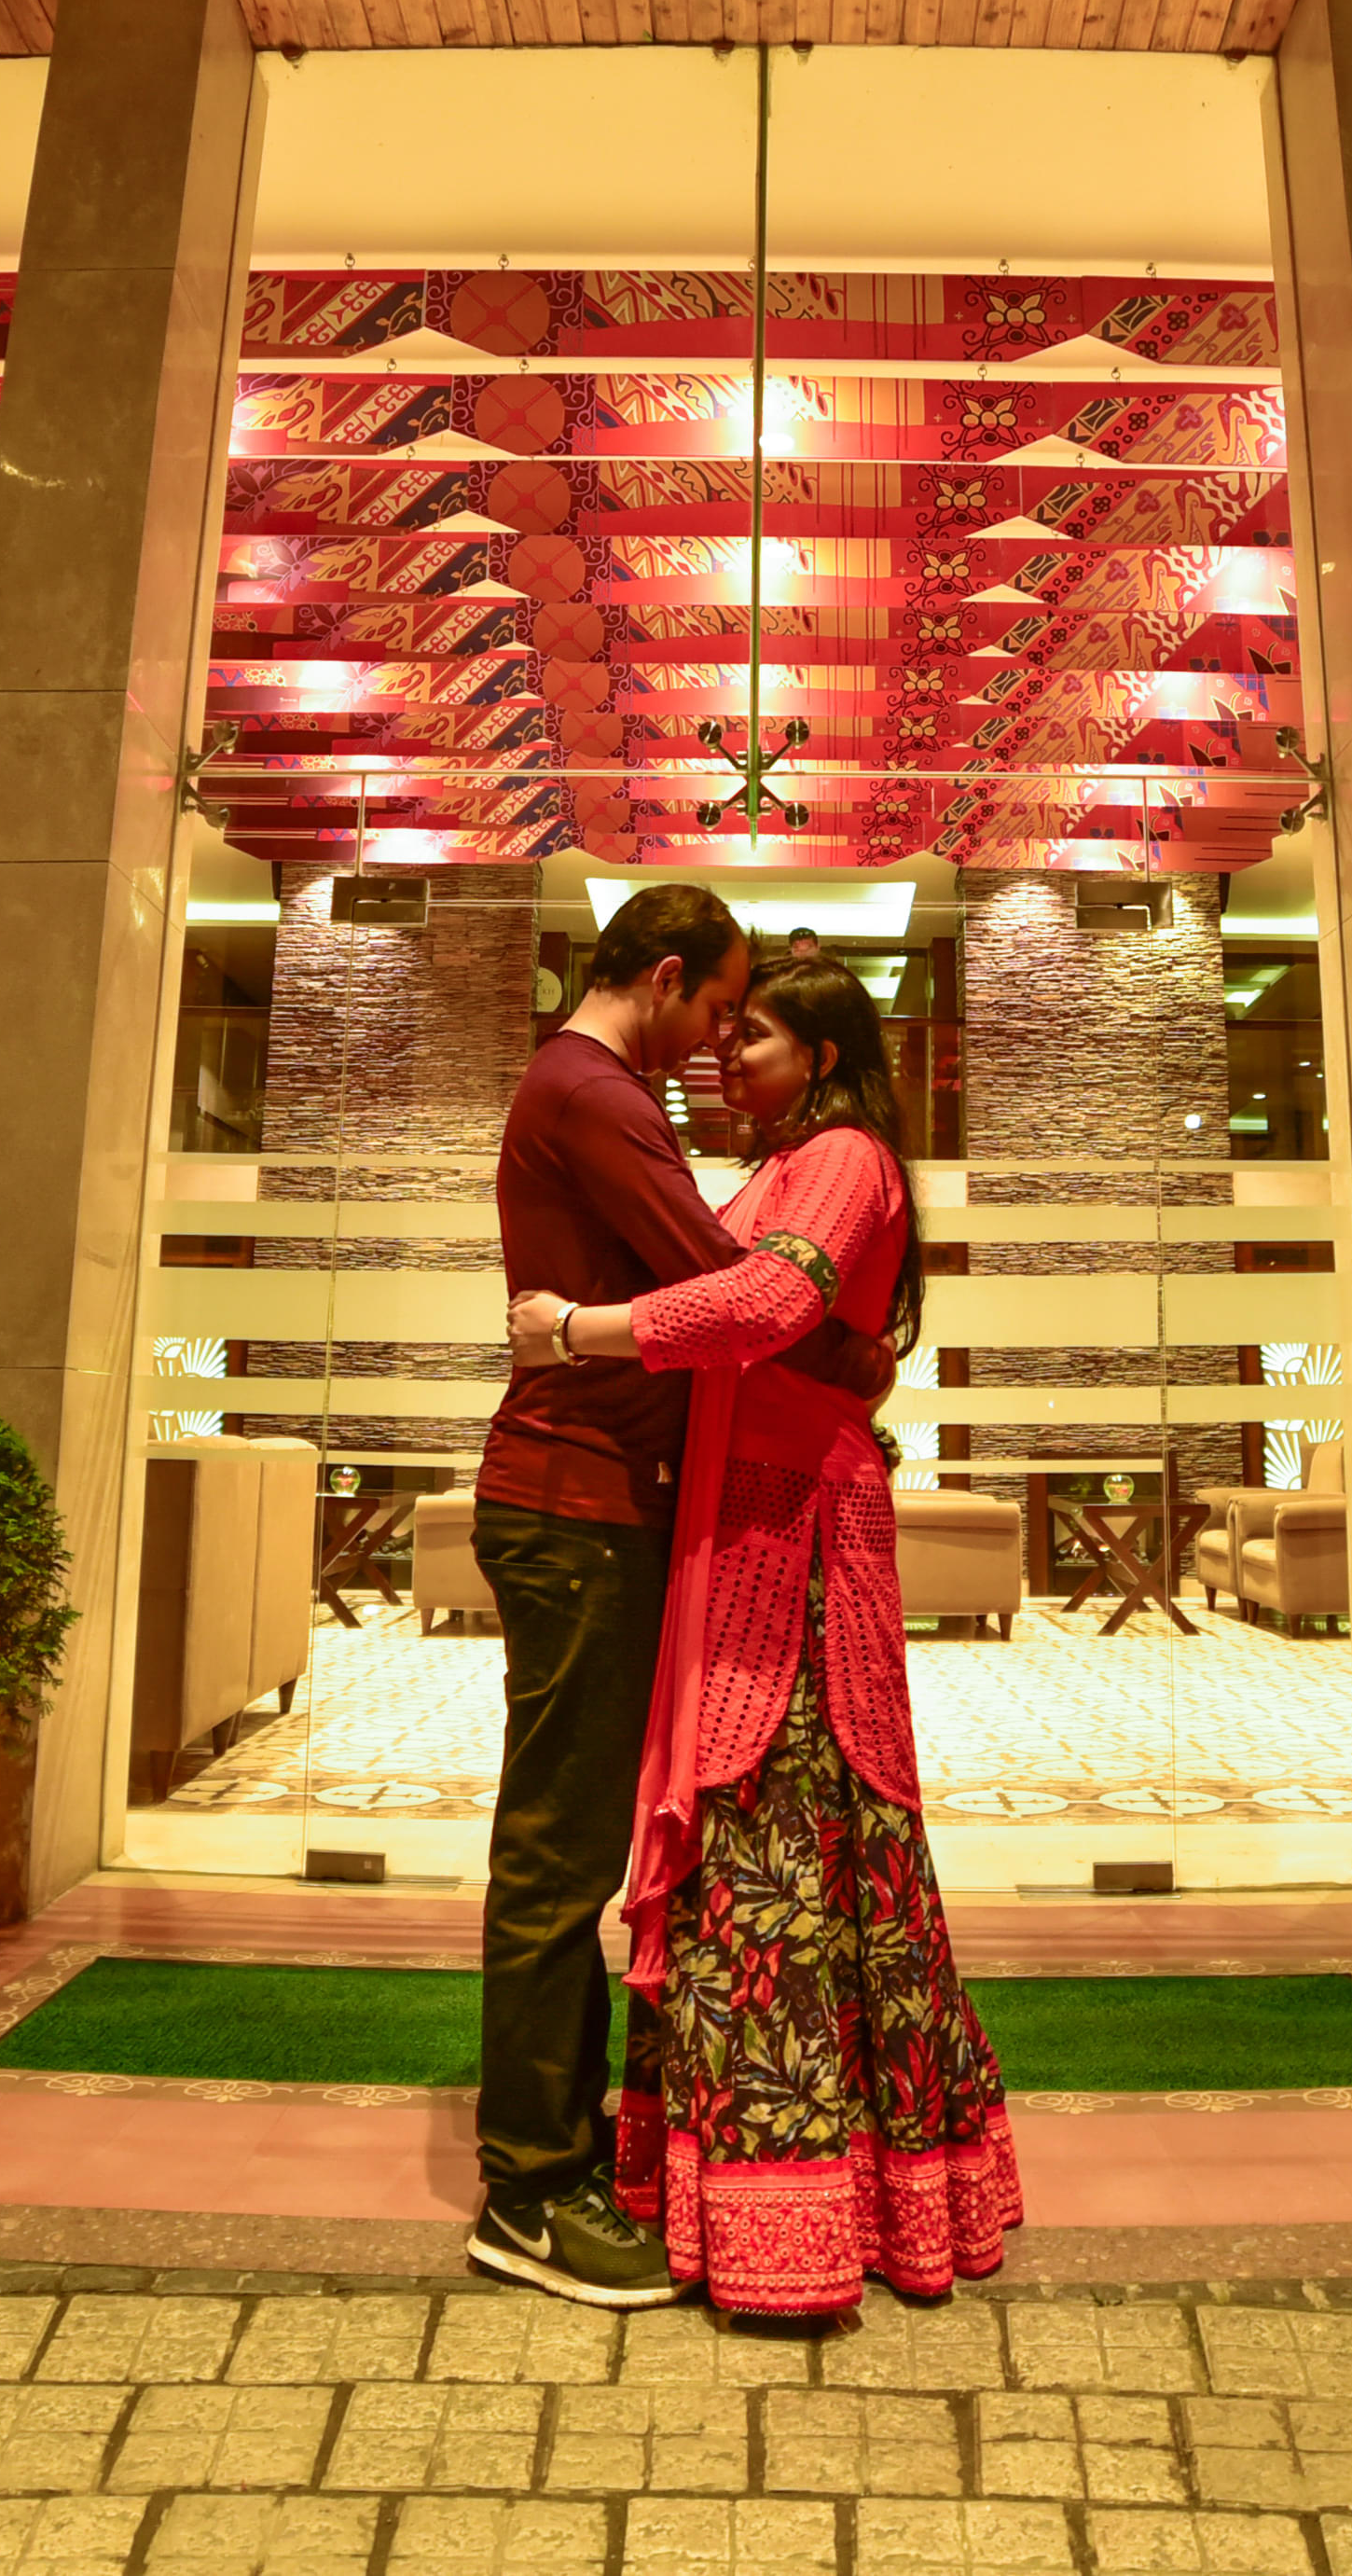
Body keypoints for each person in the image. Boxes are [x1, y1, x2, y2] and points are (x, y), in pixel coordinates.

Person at [511, 954, 1022, 2313]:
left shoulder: (847, 1157)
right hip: (736, 1541)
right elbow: (767, 1310)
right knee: (744, 1851)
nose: (726, 1060)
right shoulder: (776, 1174)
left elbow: (761, 1308)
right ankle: (728, 2207)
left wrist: (574, 1330)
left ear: (830, 1060)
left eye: (756, 1040)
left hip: (796, 1551)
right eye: (723, 1035)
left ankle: (812, 2221)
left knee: (801, 1852)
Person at [461, 883, 887, 2307]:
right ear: (662, 974)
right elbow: (727, 1283)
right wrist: (850, 1364)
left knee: (574, 1846)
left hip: (596, 1507)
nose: (716, 1043)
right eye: (716, 1006)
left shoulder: (596, 1089)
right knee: (558, 1854)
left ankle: (564, 2151)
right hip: (570, 1504)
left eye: (743, 1028)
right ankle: (527, 2191)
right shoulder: (592, 1090)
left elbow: (722, 1286)